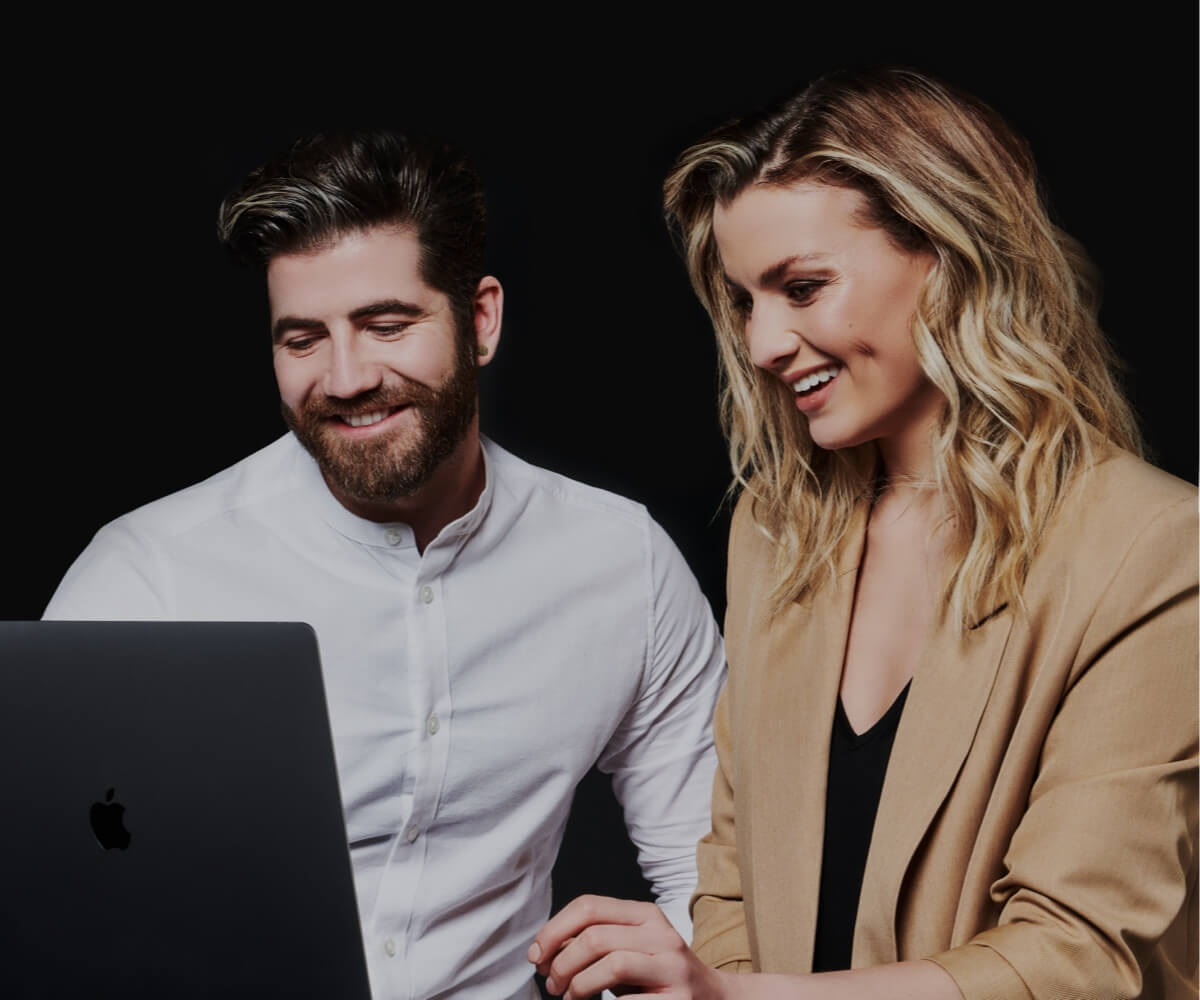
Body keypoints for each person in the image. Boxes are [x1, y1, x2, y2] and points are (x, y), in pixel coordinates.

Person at [530, 67, 1198, 999]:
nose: (763, 343)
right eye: (745, 301)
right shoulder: (778, 531)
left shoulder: (1156, 546)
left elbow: (1081, 959)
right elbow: (727, 876)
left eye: (802, 287)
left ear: (949, 256)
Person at [43, 129, 727, 1000]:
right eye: (302, 339)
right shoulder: (151, 573)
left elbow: (713, 875)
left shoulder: (619, 560)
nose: (346, 376)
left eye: (386, 325)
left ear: (480, 319)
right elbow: (52, 886)